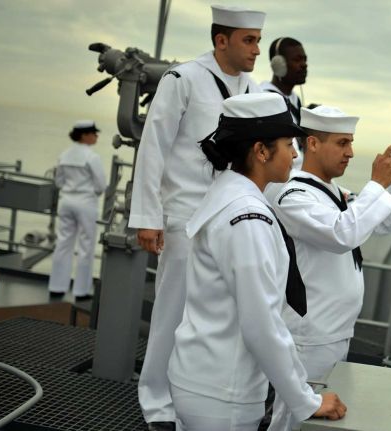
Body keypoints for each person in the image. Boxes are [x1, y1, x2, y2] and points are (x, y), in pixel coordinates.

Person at [168, 93, 346, 430]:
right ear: (261, 151)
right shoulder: (248, 218)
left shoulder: (227, 195)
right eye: (288, 144)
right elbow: (260, 323)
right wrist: (306, 401)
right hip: (223, 393)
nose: (295, 154)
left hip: (204, 377)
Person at [127, 5, 266, 429]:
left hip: (231, 217)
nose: (256, 49)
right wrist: (148, 216)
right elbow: (154, 147)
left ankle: (194, 395)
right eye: (249, 40)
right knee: (173, 311)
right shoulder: (182, 79)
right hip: (185, 217)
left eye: (258, 40)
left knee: (216, 314)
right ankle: (156, 400)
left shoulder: (255, 89)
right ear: (220, 40)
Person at [268, 105, 391, 430]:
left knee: (318, 422)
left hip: (335, 332)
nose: (350, 152)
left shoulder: (334, 192)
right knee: (291, 421)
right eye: (341, 143)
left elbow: (382, 224)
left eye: (351, 143)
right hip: (309, 336)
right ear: (313, 143)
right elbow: (342, 233)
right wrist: (377, 185)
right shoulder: (293, 194)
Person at [48, 120, 107, 301]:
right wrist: (90, 193)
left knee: (63, 244)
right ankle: (81, 291)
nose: (96, 136)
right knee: (86, 246)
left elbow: (58, 181)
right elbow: (101, 185)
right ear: (84, 135)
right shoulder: (92, 157)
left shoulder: (64, 155)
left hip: (66, 202)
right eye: (93, 133)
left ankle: (56, 287)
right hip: (86, 204)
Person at [260, 37, 307, 169]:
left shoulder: (294, 99)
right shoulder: (267, 99)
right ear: (278, 65)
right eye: (297, 60)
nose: (304, 64)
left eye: (304, 59)